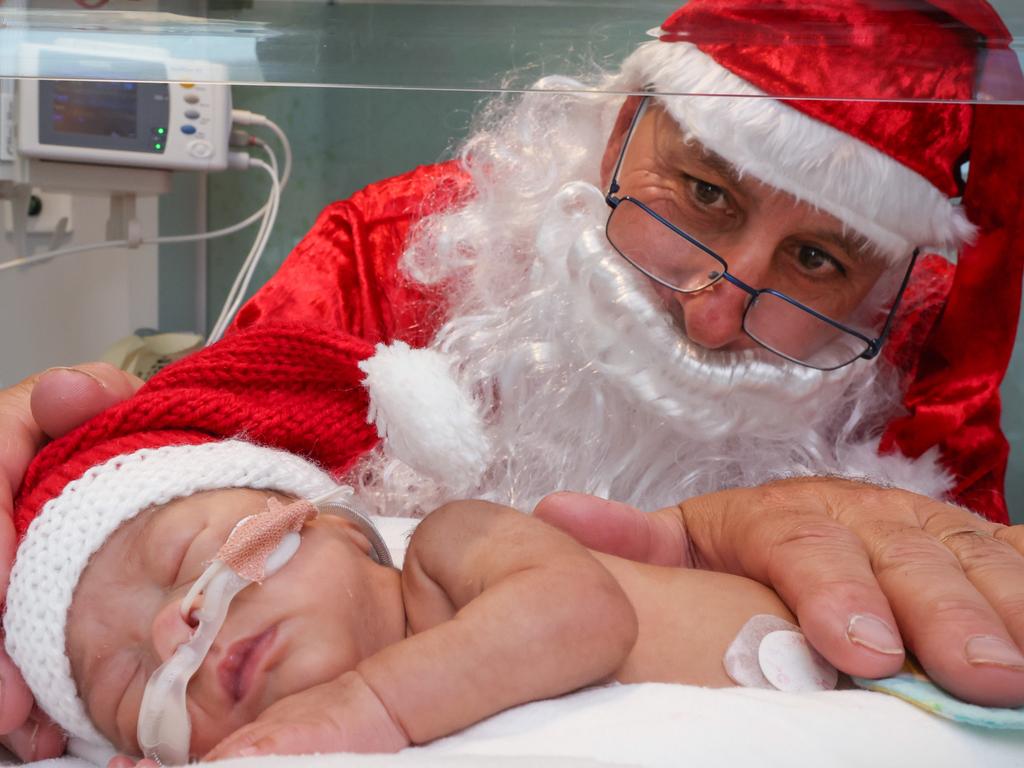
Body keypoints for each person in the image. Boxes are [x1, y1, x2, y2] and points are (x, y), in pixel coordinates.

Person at [2, 0, 1024, 759]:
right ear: (617, 127)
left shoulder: (908, 397)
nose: (714, 311)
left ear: (888, 295)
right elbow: (183, 467)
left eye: (816, 264)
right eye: (702, 195)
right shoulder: (402, 253)